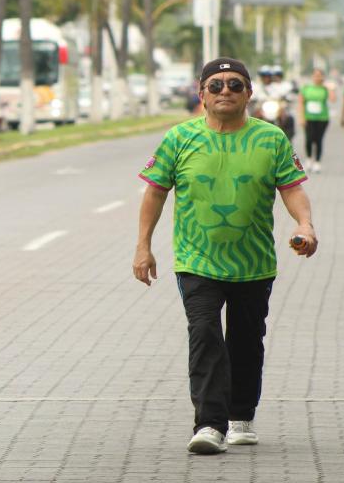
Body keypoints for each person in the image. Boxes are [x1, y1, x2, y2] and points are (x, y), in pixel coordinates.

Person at [133, 57, 318, 455]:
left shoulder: (271, 139)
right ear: (201, 94)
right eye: (215, 85)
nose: (225, 92)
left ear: (249, 93)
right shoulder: (179, 138)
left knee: (247, 340)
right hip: (196, 259)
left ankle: (240, 417)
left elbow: (291, 188)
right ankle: (209, 425)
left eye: (235, 84)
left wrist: (304, 225)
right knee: (204, 334)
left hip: (253, 263)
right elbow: (155, 192)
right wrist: (143, 246)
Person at [297, 68, 335, 173]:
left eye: (319, 75)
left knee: (318, 140)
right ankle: (309, 159)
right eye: (315, 75)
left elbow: (333, 99)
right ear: (312, 77)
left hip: (322, 118)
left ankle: (317, 162)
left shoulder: (325, 88)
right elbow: (300, 103)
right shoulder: (306, 88)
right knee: (309, 139)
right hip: (309, 118)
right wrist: (301, 117)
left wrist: (330, 88)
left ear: (323, 77)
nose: (317, 77)